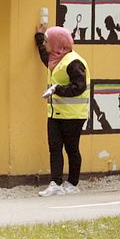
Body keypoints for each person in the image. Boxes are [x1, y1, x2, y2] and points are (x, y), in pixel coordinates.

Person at [35, 24, 90, 196]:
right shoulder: (54, 59)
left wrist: (57, 89)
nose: (45, 44)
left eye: (47, 41)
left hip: (73, 115)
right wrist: (38, 36)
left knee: (72, 149)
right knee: (55, 148)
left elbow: (78, 87)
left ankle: (73, 183)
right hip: (55, 113)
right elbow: (44, 56)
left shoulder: (74, 62)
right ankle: (56, 183)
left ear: (58, 43)